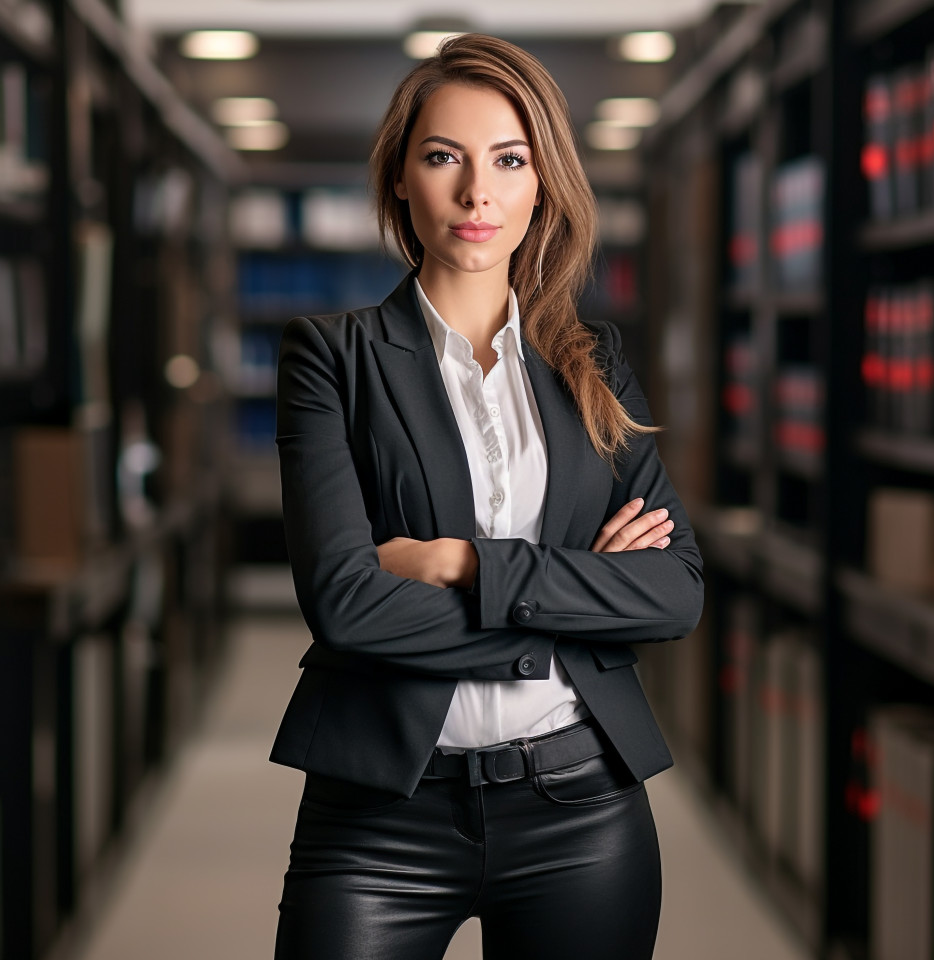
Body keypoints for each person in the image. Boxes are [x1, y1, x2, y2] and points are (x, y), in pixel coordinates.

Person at [270, 33, 703, 960]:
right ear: (400, 179)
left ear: (542, 183)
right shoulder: (331, 359)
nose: (478, 193)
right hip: (380, 815)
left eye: (509, 160)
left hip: (582, 807)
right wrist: (578, 595)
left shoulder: (595, 366)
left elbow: (674, 592)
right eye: (443, 158)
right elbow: (347, 605)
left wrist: (461, 564)